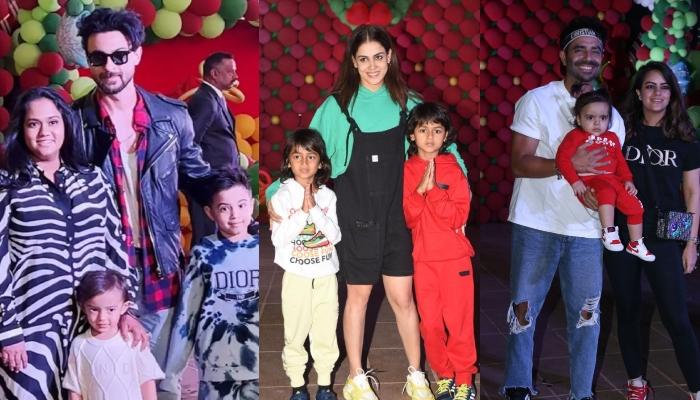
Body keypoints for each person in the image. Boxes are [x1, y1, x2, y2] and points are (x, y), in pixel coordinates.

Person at [266, 24, 466, 400]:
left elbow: (447, 150)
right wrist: (276, 192)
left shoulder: (409, 102)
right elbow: (306, 154)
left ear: (389, 57)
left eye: (378, 57)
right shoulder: (337, 106)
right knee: (356, 298)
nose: (372, 66)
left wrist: (459, 189)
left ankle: (416, 375)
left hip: (398, 218)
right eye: (363, 59)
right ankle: (356, 378)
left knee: (403, 299)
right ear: (353, 63)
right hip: (355, 216)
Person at [74, 8, 211, 399]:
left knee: (163, 379)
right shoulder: (73, 123)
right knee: (110, 381)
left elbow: (199, 179)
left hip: (158, 264)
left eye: (119, 55)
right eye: (98, 58)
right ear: (88, 61)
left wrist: (232, 202)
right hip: (102, 270)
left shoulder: (171, 117)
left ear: (136, 53)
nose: (109, 66)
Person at [502, 16, 625, 400]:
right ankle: (518, 384)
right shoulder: (537, 100)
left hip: (586, 231)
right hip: (536, 224)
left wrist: (601, 197)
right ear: (563, 56)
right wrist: (568, 166)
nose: (587, 57)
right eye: (579, 49)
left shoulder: (613, 117)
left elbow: (610, 174)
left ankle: (582, 392)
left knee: (587, 316)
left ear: (602, 59)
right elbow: (520, 162)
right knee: (523, 310)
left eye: (595, 51)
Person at [0, 87, 130, 399]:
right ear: (21, 130)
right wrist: (7, 331)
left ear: (66, 125)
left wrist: (127, 311)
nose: (44, 132)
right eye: (33, 124)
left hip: (92, 326)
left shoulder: (93, 179)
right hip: (30, 329)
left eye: (53, 122)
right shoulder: (7, 184)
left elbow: (116, 249)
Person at [604, 61, 700, 400]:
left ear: (672, 93)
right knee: (628, 310)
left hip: (666, 229)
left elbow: (692, 193)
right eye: (649, 86)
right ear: (638, 92)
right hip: (624, 228)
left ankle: (696, 389)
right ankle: (636, 383)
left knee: (676, 316)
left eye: (664, 87)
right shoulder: (621, 132)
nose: (657, 93)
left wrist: (690, 243)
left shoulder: (685, 137)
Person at [402, 103, 476, 400]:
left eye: (436, 130)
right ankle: (444, 375)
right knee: (430, 324)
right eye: (423, 130)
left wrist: (433, 191)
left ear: (446, 135)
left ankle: (464, 378)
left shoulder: (453, 169)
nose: (430, 136)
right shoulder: (407, 170)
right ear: (412, 135)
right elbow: (409, 217)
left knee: (459, 323)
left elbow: (458, 217)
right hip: (424, 260)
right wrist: (420, 190)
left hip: (455, 259)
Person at [165, 168, 258, 400]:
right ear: (210, 212)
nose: (234, 215)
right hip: (217, 368)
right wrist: (172, 373)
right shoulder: (204, 253)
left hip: (257, 363)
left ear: (252, 205)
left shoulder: (261, 249)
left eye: (241, 205)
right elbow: (187, 314)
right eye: (224, 208)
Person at [270, 129, 342, 400]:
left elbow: (335, 236)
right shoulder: (282, 197)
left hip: (325, 276)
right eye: (297, 156)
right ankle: (298, 386)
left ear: (320, 163)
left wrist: (314, 210)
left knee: (325, 332)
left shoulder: (328, 196)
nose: (303, 163)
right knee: (295, 332)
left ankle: (324, 385)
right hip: (296, 277)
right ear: (288, 161)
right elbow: (278, 239)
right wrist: (301, 213)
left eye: (311, 156)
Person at [555, 89, 654, 261]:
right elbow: (562, 159)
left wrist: (628, 180)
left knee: (636, 207)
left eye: (603, 118)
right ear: (578, 119)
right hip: (592, 180)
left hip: (616, 183)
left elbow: (620, 163)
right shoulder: (575, 136)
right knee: (606, 192)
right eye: (590, 117)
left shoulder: (613, 137)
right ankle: (608, 232)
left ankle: (636, 243)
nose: (597, 123)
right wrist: (575, 181)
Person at [63, 270, 164, 400]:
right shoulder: (79, 345)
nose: (102, 317)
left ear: (124, 307)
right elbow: (74, 389)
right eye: (94, 309)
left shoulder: (133, 341)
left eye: (111, 309)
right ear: (83, 308)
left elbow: (147, 382)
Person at [187, 52, 240, 245]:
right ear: (214, 74)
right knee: (206, 235)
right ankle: (202, 266)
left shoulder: (214, 97)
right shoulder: (204, 99)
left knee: (216, 235)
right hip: (208, 184)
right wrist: (205, 176)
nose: (236, 76)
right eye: (230, 72)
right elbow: (190, 142)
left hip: (220, 182)